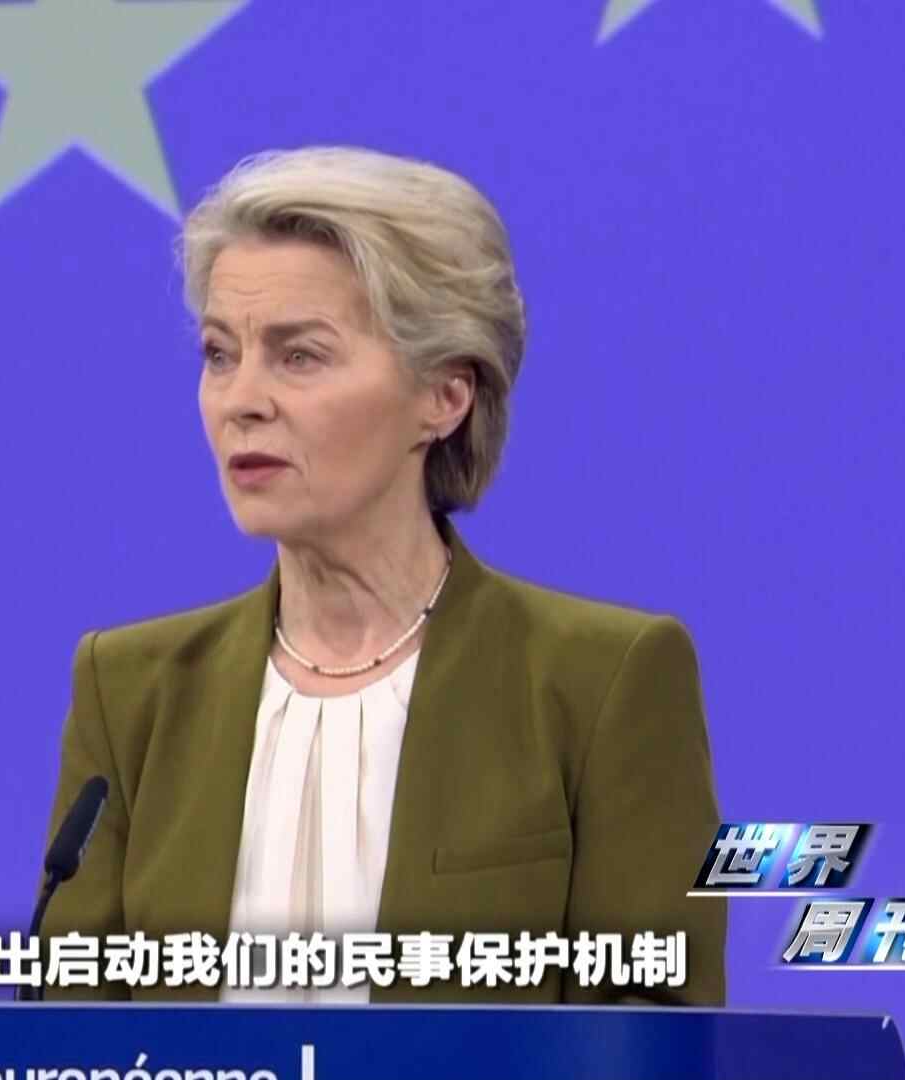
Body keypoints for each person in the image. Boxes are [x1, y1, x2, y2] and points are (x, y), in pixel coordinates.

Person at [37, 145, 724, 1005]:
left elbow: (652, 1034)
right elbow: (72, 1037)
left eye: (299, 356)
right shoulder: (130, 690)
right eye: (219, 354)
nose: (242, 400)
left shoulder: (600, 684)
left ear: (444, 396)